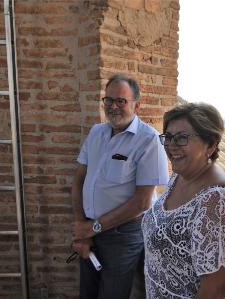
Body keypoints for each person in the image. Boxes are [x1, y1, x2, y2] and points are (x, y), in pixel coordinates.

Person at [71, 74, 169, 298]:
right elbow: (79, 179)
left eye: (121, 101)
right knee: (87, 293)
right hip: (89, 229)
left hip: (123, 235)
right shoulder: (96, 132)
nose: (113, 106)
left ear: (137, 105)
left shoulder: (149, 140)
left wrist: (92, 228)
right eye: (109, 100)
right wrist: (82, 228)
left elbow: (142, 202)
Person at [142, 103, 225, 298]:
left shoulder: (218, 202)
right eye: (169, 137)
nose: (171, 145)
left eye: (182, 138)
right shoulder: (180, 176)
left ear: (211, 144)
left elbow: (214, 291)